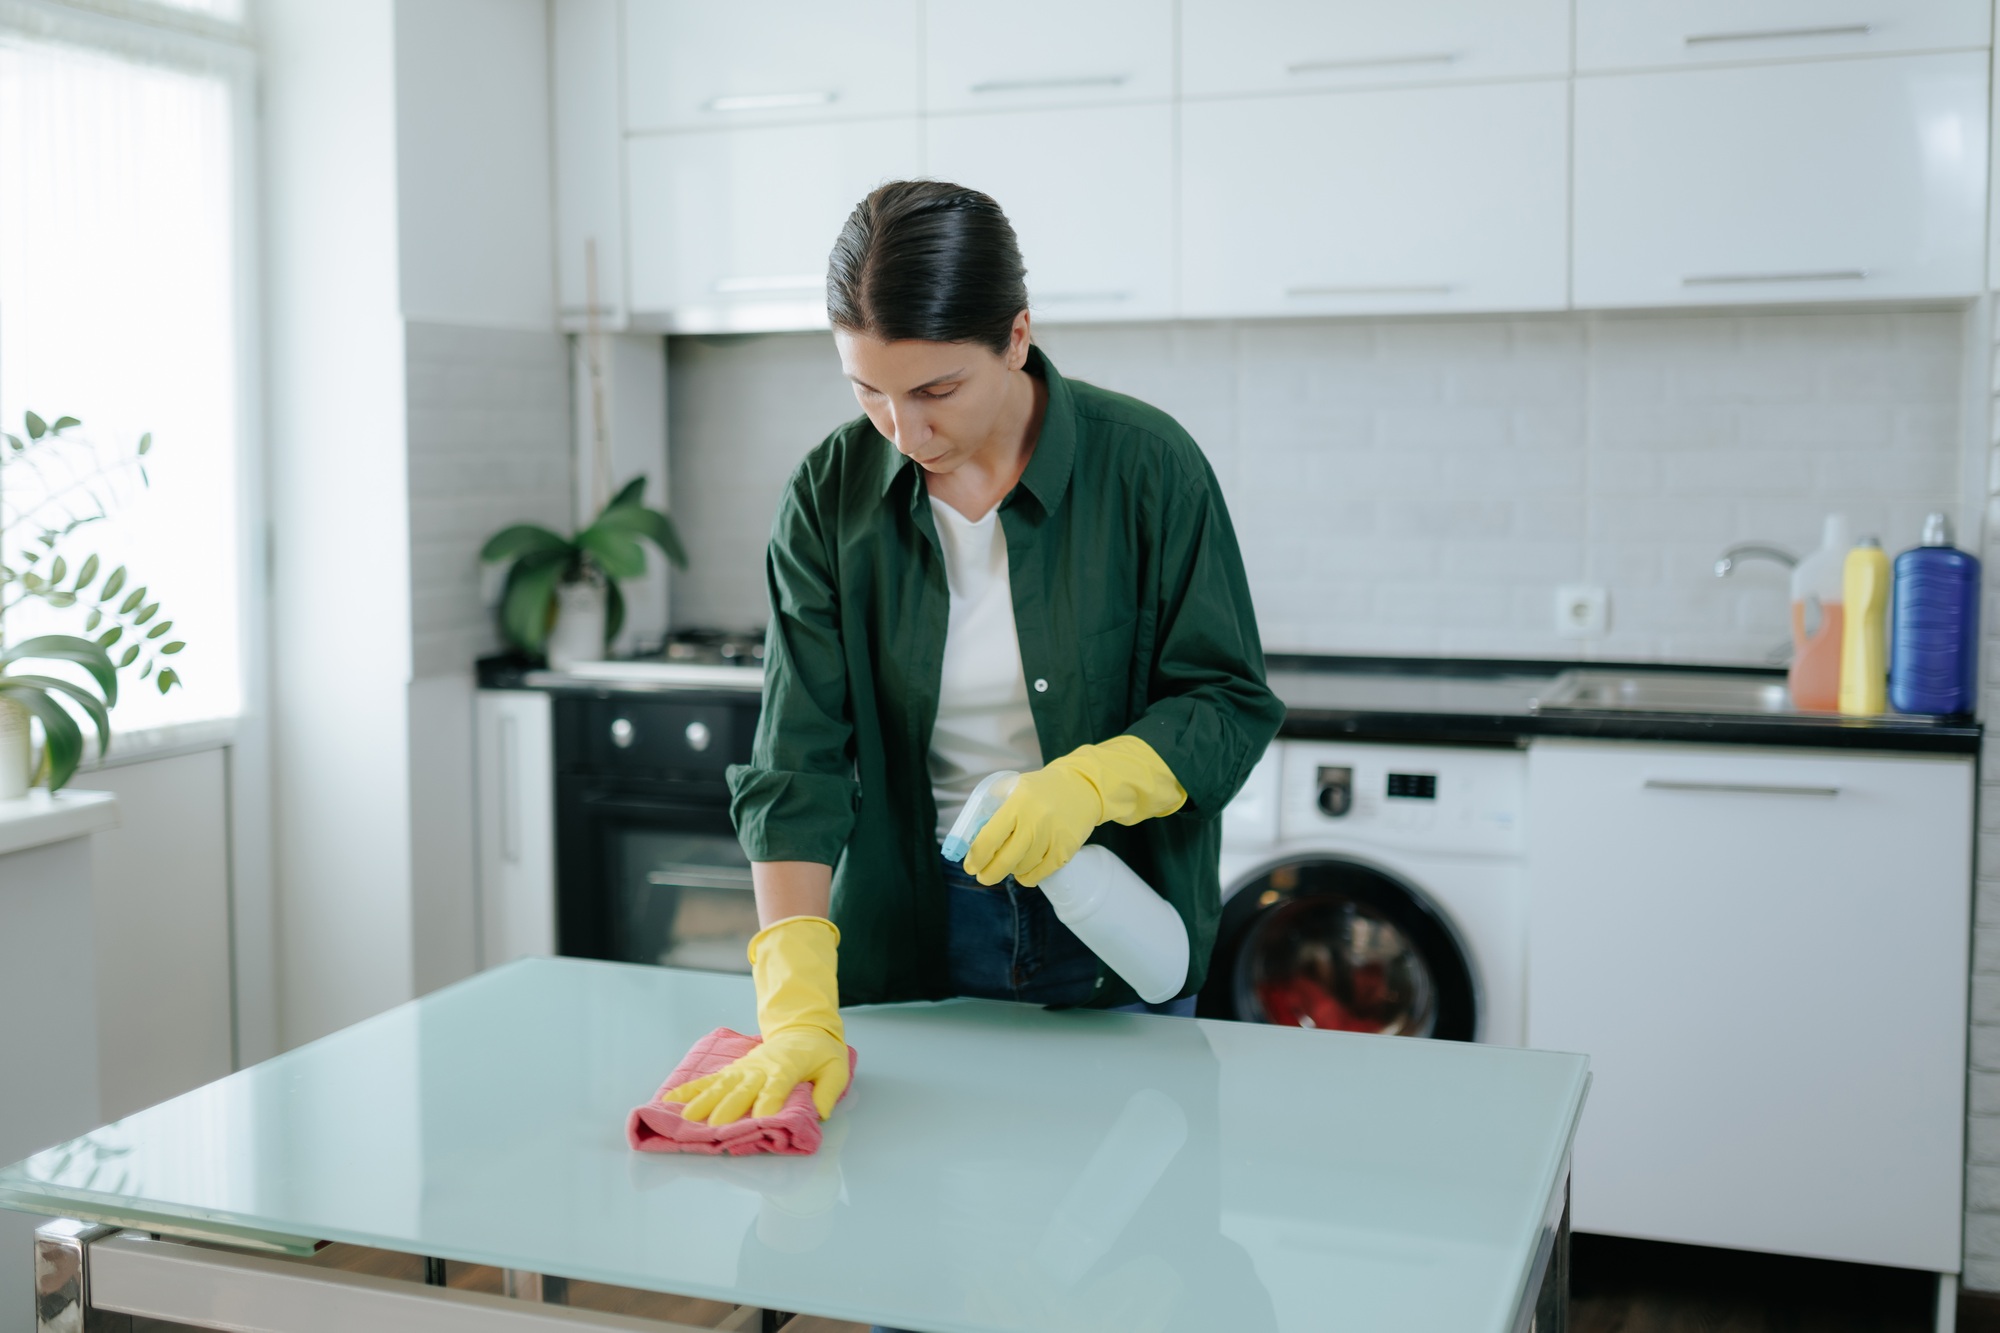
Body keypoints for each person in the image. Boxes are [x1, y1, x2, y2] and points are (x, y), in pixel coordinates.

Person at [662, 180, 1284, 1131]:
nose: (905, 433)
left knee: (1135, 1258)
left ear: (1017, 338)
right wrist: (794, 1006)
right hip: (910, 937)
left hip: (1111, 932)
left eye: (936, 391)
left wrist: (1090, 784)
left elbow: (1227, 702)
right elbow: (798, 762)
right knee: (910, 1246)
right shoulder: (829, 497)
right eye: (868, 391)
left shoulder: (1148, 469)